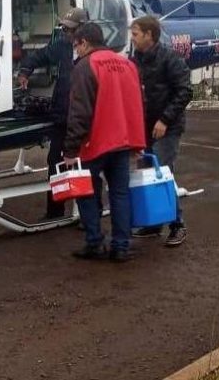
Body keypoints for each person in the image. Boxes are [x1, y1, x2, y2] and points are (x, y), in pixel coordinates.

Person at [63, 23, 146, 262]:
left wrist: (70, 149)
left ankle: (94, 242)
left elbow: (79, 112)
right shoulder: (127, 64)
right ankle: (121, 246)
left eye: (76, 46)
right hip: (123, 141)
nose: (76, 51)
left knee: (86, 193)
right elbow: (138, 104)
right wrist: (137, 142)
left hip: (95, 143)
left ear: (84, 43)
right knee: (120, 194)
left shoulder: (85, 66)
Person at [17, 7, 93, 220]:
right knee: (55, 162)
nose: (66, 33)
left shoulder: (95, 53)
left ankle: (88, 214)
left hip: (85, 119)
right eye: (65, 29)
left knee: (87, 164)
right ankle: (55, 211)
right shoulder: (61, 46)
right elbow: (39, 56)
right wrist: (25, 71)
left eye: (70, 30)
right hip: (62, 115)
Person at [129, 15, 193, 246]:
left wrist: (164, 120)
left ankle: (178, 225)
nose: (132, 38)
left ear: (149, 35)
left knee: (162, 173)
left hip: (167, 128)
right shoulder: (134, 61)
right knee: (147, 174)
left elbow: (185, 91)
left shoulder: (170, 58)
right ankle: (154, 222)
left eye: (135, 34)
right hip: (144, 128)